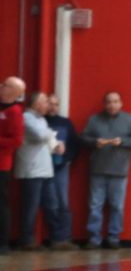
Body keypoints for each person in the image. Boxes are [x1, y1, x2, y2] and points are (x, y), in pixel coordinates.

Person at [81, 91, 131, 249]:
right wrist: (95, 142)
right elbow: (83, 138)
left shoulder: (130, 120)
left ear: (121, 103)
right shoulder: (94, 120)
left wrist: (122, 141)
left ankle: (114, 237)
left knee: (117, 206)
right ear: (104, 104)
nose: (112, 105)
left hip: (119, 171)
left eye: (115, 102)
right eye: (109, 102)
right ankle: (94, 239)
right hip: (98, 169)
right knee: (95, 205)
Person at [15, 91, 58, 250]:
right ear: (36, 104)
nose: (48, 105)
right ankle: (26, 240)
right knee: (30, 206)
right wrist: (51, 134)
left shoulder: (41, 120)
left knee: (51, 204)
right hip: (31, 170)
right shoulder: (26, 117)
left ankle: (56, 238)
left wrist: (53, 140)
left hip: (44, 169)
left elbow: (46, 139)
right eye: (45, 102)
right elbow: (41, 136)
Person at [44, 94, 80, 249]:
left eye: (56, 104)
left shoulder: (65, 123)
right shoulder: (41, 122)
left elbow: (74, 144)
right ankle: (54, 236)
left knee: (63, 203)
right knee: (50, 203)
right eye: (50, 104)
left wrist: (67, 159)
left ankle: (64, 238)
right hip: (43, 167)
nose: (53, 107)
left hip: (61, 168)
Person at [0, 76, 27, 254]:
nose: (1, 85)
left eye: (5, 84)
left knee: (1, 204)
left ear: (14, 92)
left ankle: (3, 243)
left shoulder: (15, 112)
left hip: (1, 164)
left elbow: (16, 140)